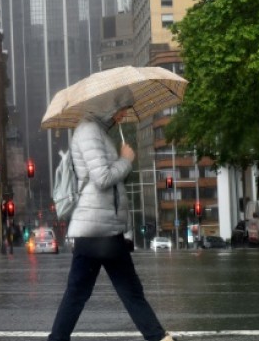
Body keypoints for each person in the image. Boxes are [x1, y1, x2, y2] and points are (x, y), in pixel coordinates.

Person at [47, 100, 174, 341]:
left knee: (87, 292)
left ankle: (158, 337)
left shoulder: (98, 131)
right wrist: (125, 160)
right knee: (120, 291)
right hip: (97, 228)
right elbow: (102, 178)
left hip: (102, 226)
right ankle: (158, 337)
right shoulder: (89, 131)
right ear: (108, 106)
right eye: (122, 109)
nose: (123, 115)